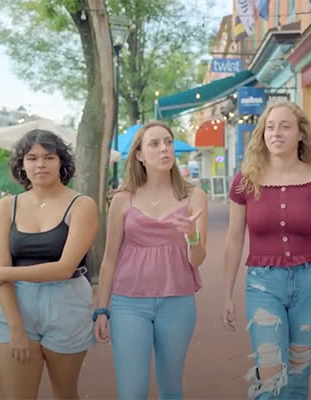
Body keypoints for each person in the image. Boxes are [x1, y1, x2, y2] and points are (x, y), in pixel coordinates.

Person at [222, 101, 311, 399]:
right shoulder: (245, 181)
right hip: (263, 285)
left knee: (297, 380)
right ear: (262, 134)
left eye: (285, 126)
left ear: (301, 134)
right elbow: (233, 239)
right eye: (270, 126)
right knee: (269, 378)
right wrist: (227, 294)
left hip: (310, 285)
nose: (276, 132)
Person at [94, 121, 208, 399]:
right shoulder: (122, 199)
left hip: (177, 302)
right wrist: (100, 309)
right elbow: (110, 258)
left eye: (168, 142)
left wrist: (192, 237)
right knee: (132, 392)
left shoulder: (194, 196)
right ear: (140, 155)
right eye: (155, 144)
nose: (164, 149)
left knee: (171, 388)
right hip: (129, 304)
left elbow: (198, 260)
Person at [0, 129, 98, 399]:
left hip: (66, 302)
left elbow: (64, 267)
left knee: (64, 393)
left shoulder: (82, 205)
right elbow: (0, 276)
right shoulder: (6, 207)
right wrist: (15, 327)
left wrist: (4, 272)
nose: (40, 165)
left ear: (61, 162)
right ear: (22, 165)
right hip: (14, 304)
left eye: (49, 157)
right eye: (32, 158)